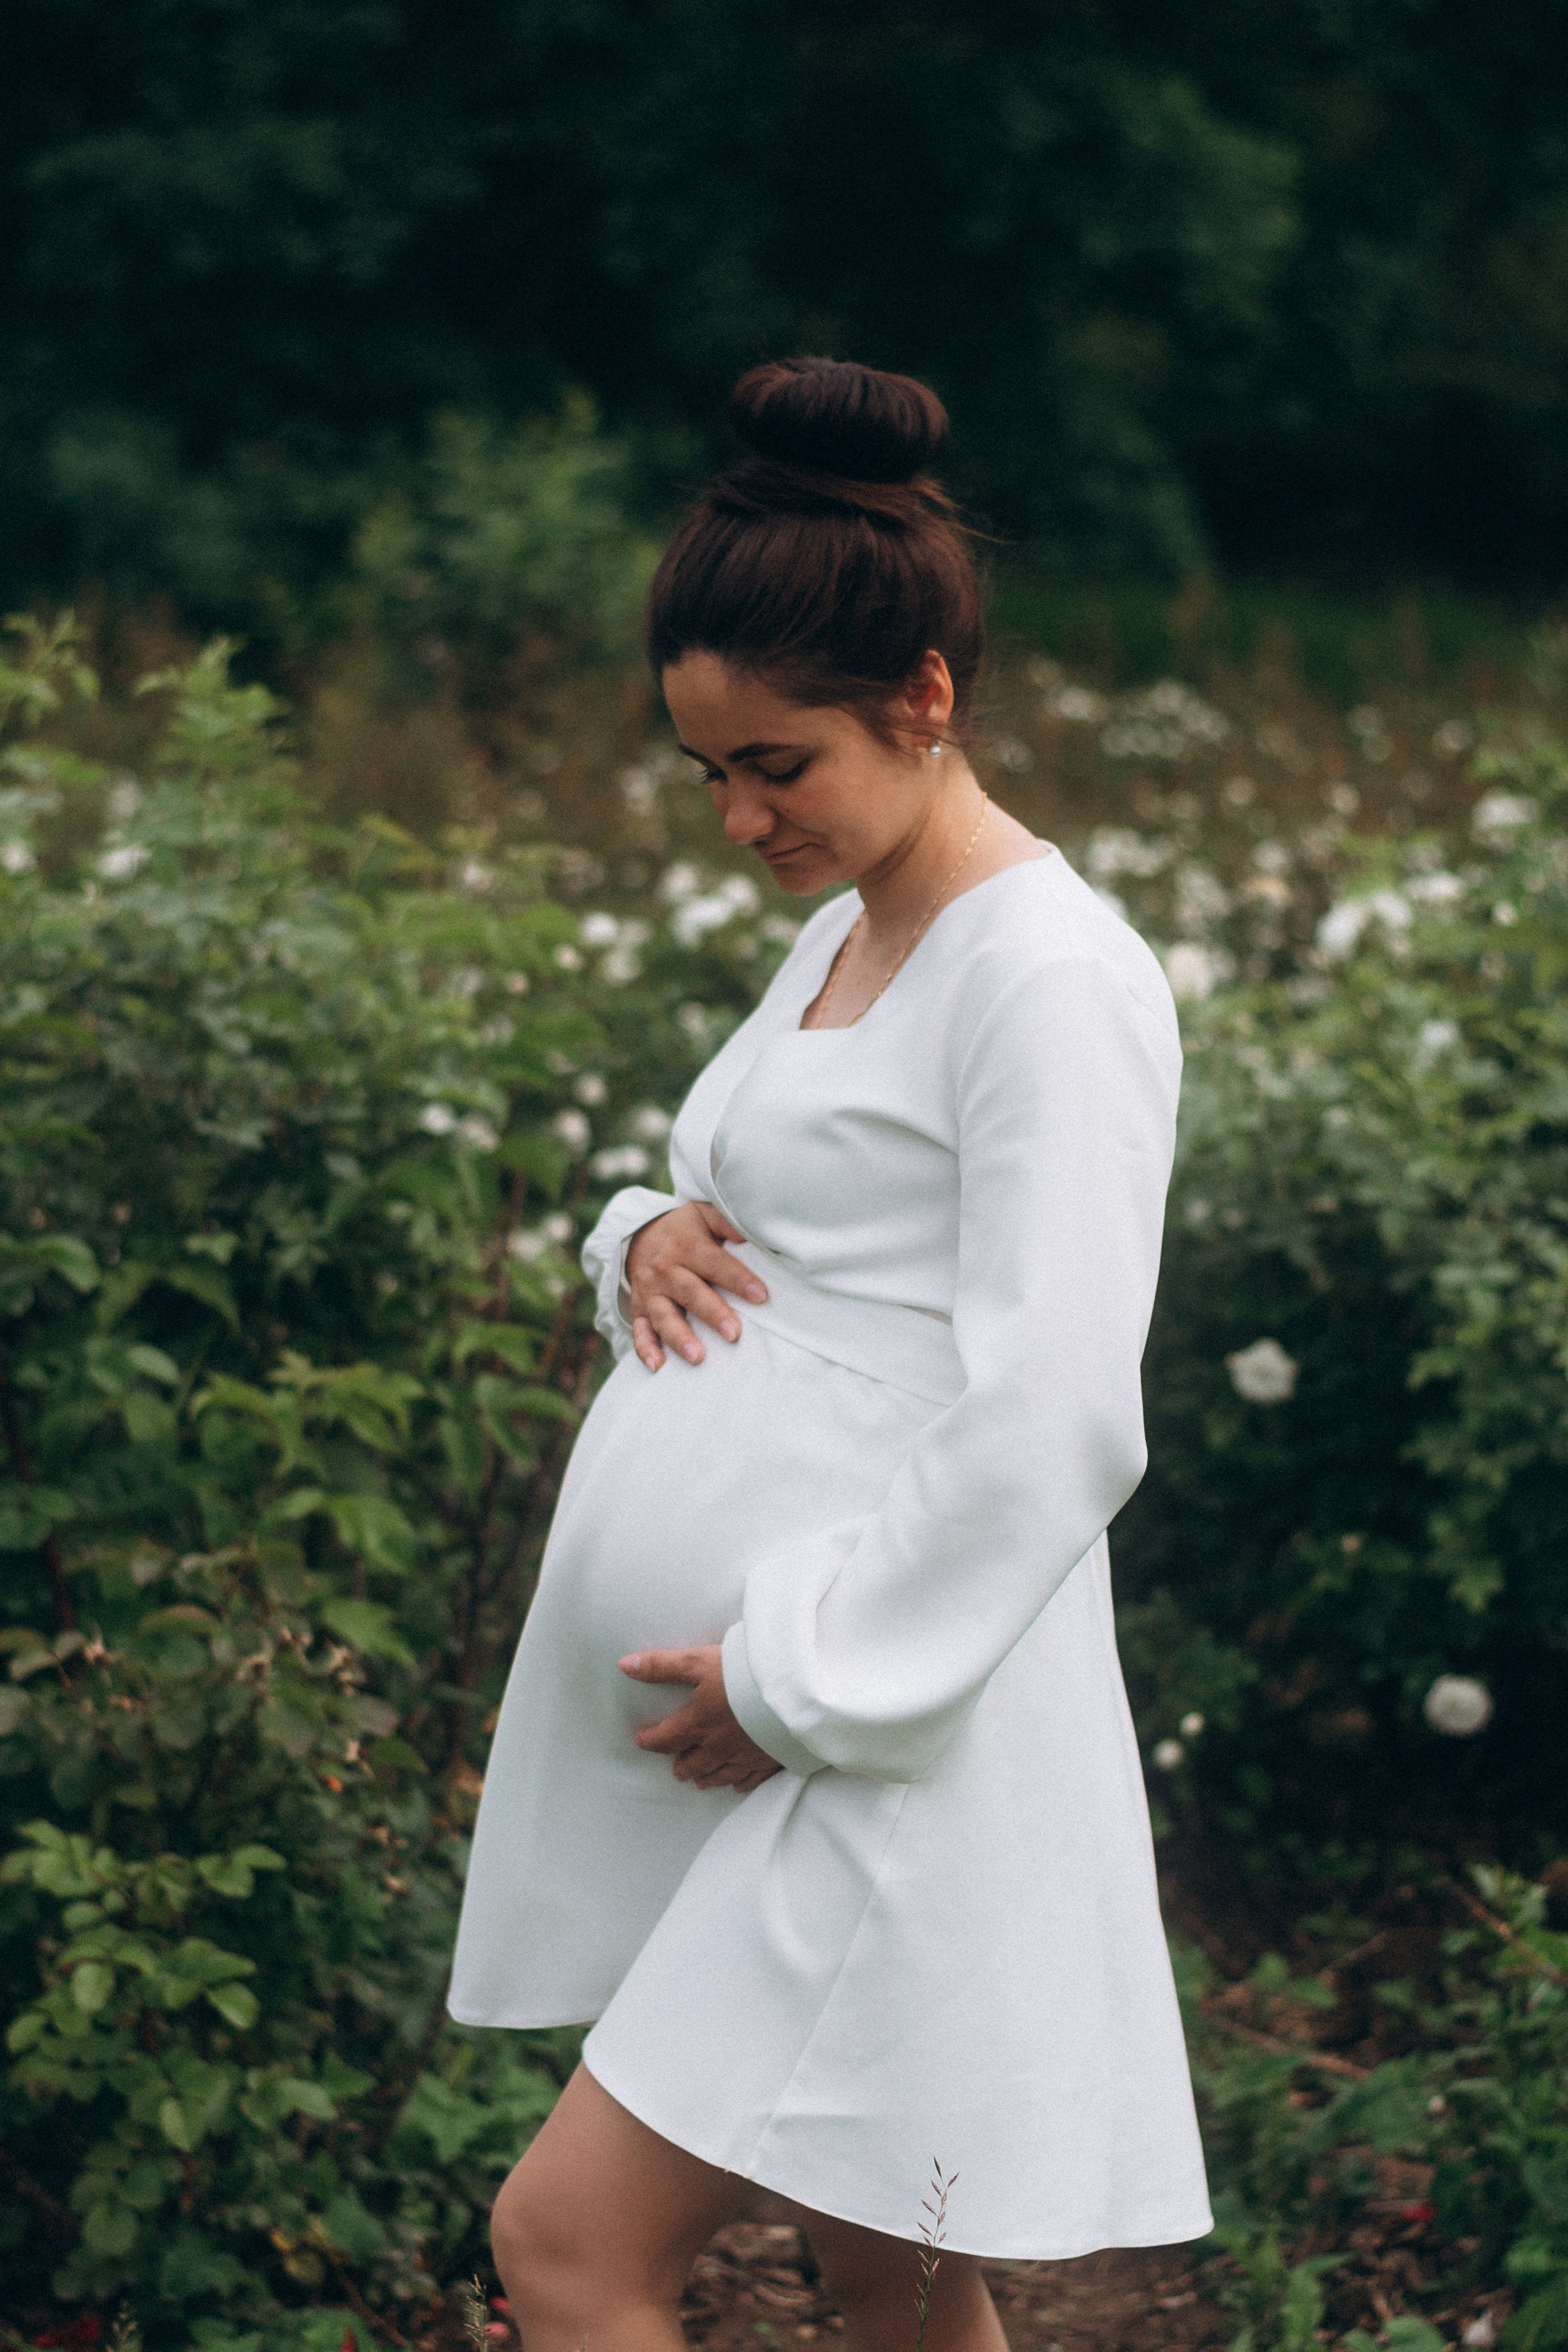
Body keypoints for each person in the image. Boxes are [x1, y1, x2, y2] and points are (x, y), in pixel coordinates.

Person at [448, 355, 1211, 2352]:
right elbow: (798, 1214)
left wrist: (800, 1681)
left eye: (776, 762)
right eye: (706, 768)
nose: (738, 814)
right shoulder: (856, 925)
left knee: (567, 2252)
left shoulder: (1051, 979)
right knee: (885, 2257)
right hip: (825, 1733)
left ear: (927, 701)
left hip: (893, 1734)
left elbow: (1057, 1411)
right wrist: (647, 1230)